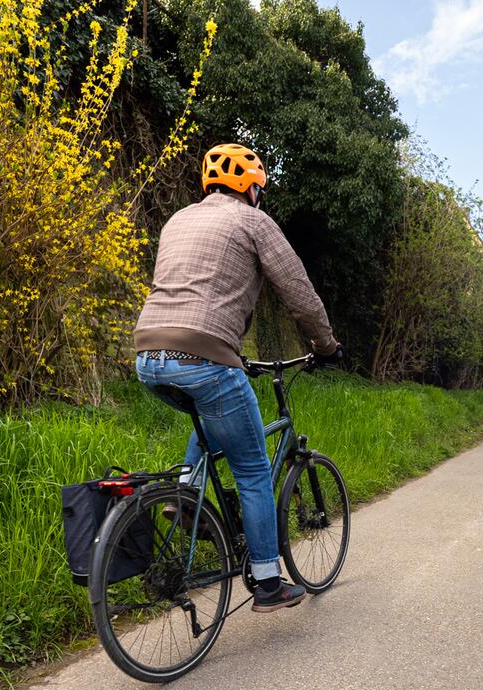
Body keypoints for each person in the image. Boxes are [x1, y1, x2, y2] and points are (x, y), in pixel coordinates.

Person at [133, 144, 342, 612]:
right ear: (249, 186)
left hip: (148, 355)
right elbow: (299, 292)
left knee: (209, 417)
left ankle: (185, 494)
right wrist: (326, 345)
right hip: (204, 355)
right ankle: (268, 583)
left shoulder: (177, 220)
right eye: (258, 188)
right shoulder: (252, 221)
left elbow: (192, 290)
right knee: (251, 471)